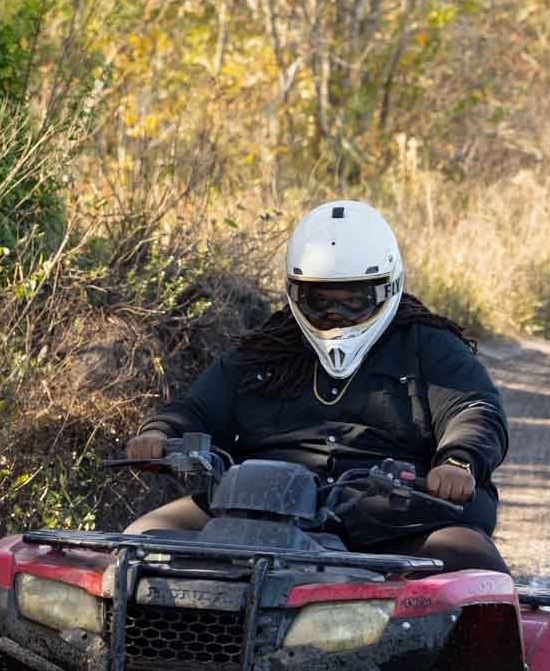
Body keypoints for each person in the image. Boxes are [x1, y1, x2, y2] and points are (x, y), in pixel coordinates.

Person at [122, 200, 510, 575]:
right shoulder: (267, 346)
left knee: (473, 562)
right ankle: (141, 643)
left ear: (387, 288)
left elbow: (473, 410)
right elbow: (198, 408)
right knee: (137, 544)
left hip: (394, 522)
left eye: (353, 301)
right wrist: (159, 431)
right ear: (295, 292)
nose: (334, 316)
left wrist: (459, 461)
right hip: (257, 511)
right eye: (319, 301)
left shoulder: (427, 344)